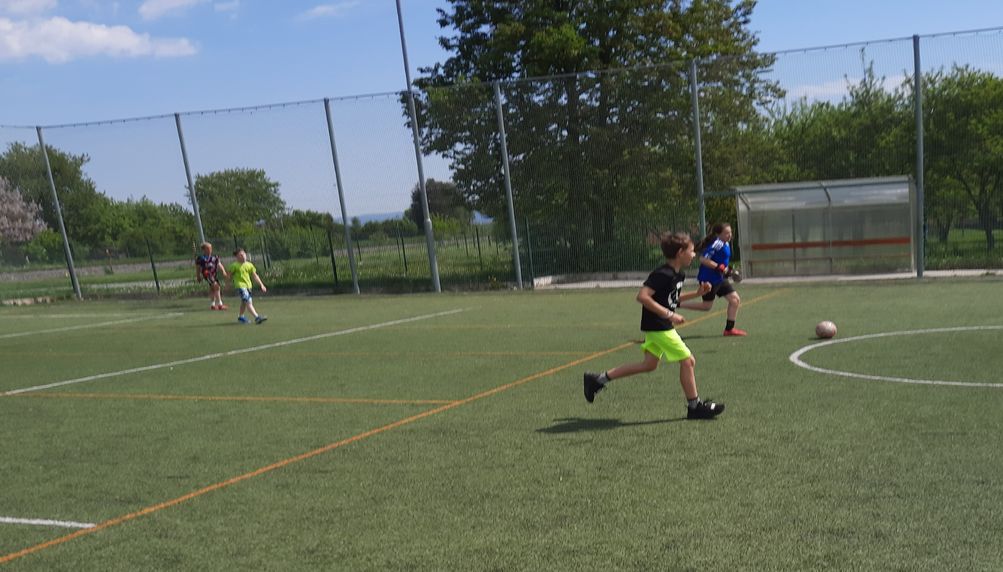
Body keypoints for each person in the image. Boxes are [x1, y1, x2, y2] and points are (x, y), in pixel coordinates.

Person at [583, 232, 725, 420]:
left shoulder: (679, 274)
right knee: (688, 360)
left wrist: (697, 293)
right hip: (659, 326)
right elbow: (642, 296)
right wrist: (669, 314)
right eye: (691, 251)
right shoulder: (662, 274)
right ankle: (694, 406)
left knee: (649, 365)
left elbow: (671, 299)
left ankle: (597, 379)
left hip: (658, 326)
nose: (693, 255)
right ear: (680, 252)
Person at [680, 222, 746, 336]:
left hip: (719, 278)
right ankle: (677, 304)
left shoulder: (725, 243)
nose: (729, 235)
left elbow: (721, 261)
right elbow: (703, 259)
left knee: (735, 300)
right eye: (726, 233)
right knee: (706, 306)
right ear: (718, 234)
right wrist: (720, 268)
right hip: (708, 279)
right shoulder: (717, 244)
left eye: (730, 232)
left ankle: (729, 329)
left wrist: (728, 271)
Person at [227, 248, 268, 324]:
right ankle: (257, 317)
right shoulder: (234, 266)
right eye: (241, 255)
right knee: (248, 301)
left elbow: (255, 276)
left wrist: (261, 285)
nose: (243, 256)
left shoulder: (249, 265)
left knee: (244, 302)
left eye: (244, 254)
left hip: (248, 286)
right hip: (240, 286)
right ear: (237, 257)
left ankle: (241, 317)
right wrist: (228, 286)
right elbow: (229, 276)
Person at [195, 242, 229, 311]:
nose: (210, 250)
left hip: (214, 274)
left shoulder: (215, 257)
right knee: (217, 286)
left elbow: (219, 264)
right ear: (204, 250)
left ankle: (213, 305)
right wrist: (198, 276)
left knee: (212, 288)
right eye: (207, 248)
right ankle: (220, 304)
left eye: (210, 248)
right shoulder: (201, 258)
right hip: (207, 274)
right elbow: (198, 268)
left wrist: (223, 271)